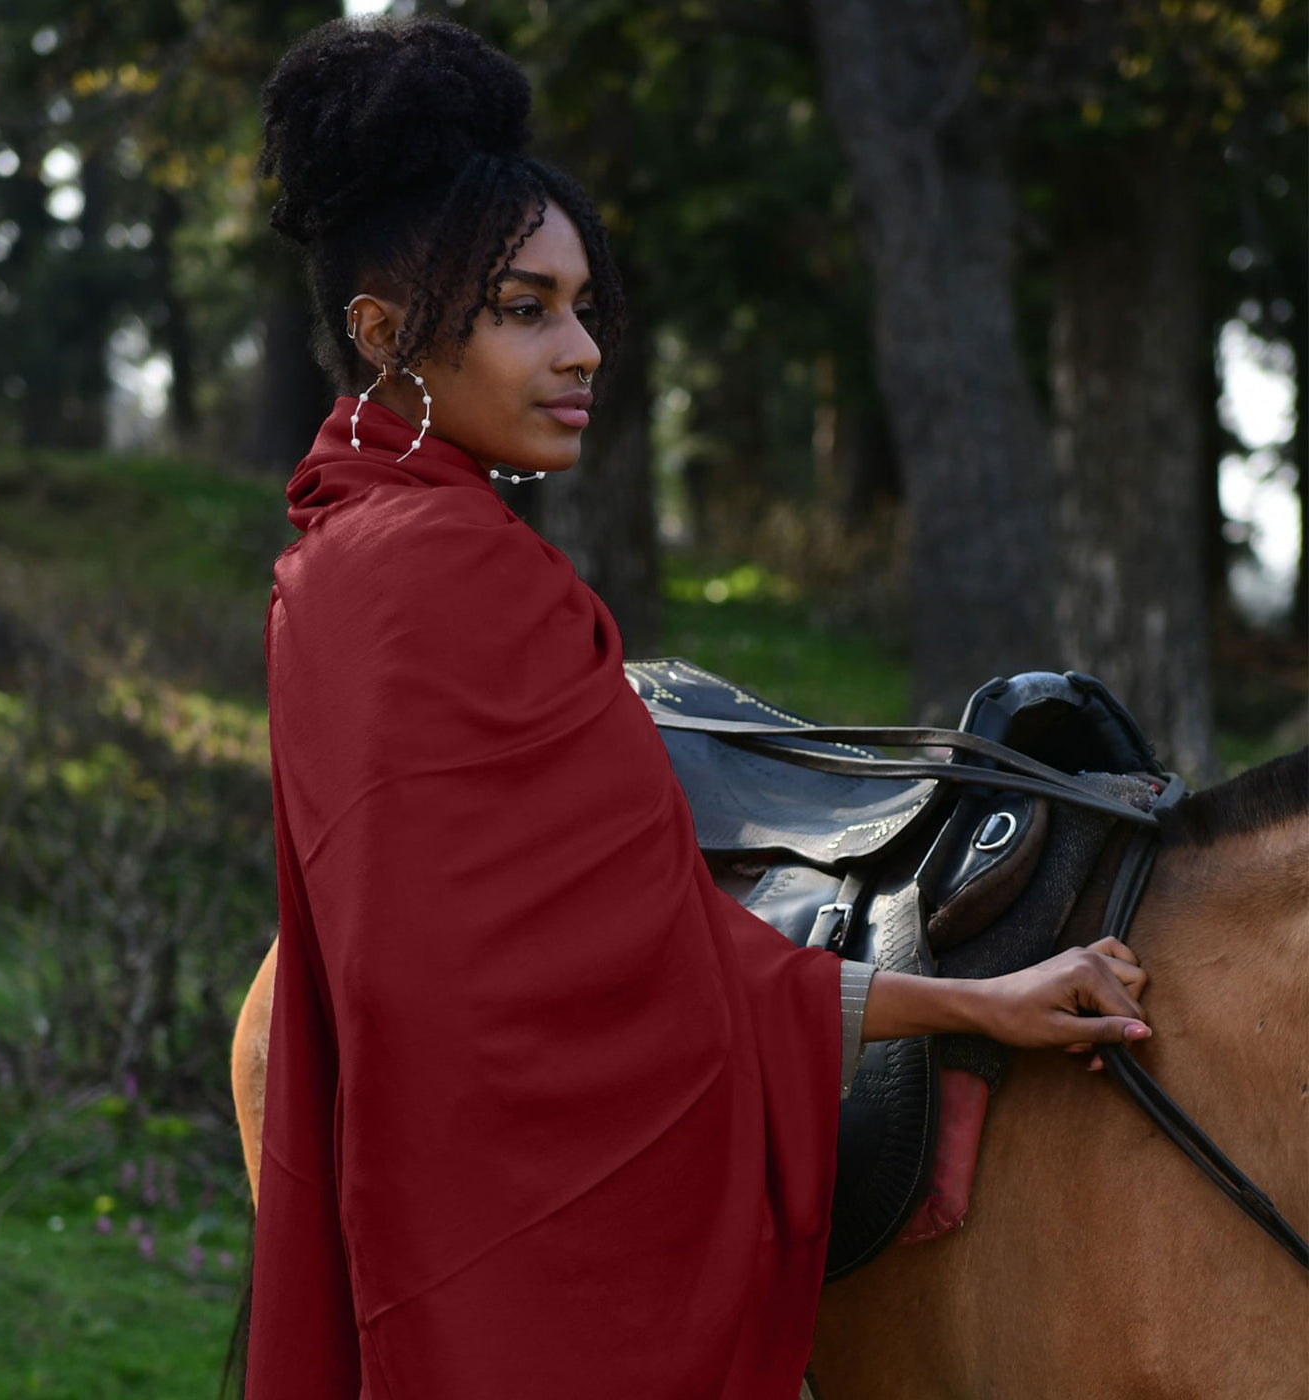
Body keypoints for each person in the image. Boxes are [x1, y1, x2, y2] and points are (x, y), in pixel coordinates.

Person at [243, 16, 1151, 1399]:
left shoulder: (335, 560)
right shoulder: (443, 573)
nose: (584, 348)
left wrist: (979, 1000)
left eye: (585, 303)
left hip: (442, 1219)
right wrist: (977, 1005)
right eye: (522, 307)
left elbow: (589, 957)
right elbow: (611, 992)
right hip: (531, 1269)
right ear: (383, 332)